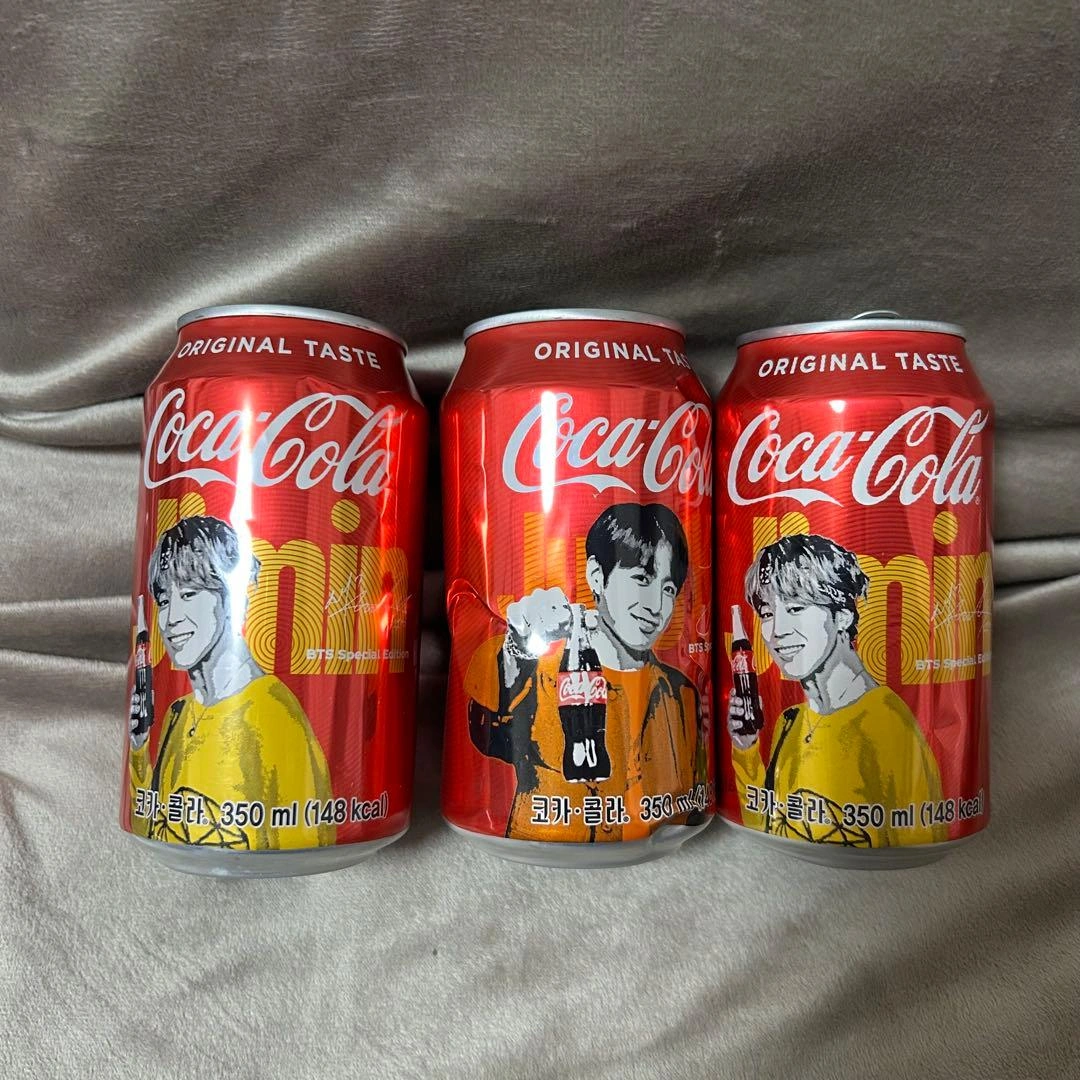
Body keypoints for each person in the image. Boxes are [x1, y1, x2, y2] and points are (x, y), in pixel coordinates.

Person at [465, 503, 707, 842]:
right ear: (596, 576)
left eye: (668, 589)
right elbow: (485, 733)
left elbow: (692, 796)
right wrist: (517, 647)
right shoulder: (542, 673)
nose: (655, 606)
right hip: (544, 830)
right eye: (641, 578)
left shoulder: (683, 694)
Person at [128, 516, 334, 850]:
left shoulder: (273, 713)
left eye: (190, 593)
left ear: (231, 598)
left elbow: (310, 837)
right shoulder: (178, 713)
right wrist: (139, 749)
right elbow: (155, 826)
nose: (171, 618)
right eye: (164, 600)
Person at [727, 533, 946, 847]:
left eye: (796, 608)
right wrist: (746, 749)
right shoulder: (790, 722)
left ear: (842, 616)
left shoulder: (886, 724)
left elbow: (921, 835)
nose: (778, 632)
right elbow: (768, 825)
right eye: (768, 613)